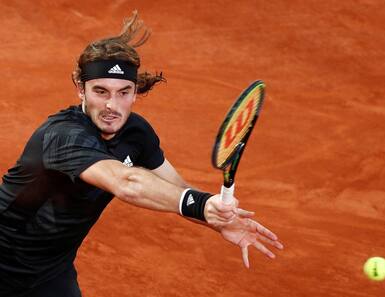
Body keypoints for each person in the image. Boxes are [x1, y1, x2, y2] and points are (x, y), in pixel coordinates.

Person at [0, 11, 283, 297]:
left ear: (136, 93)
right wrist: (199, 204)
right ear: (80, 90)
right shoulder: (62, 136)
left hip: (50, 272)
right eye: (101, 91)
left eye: (124, 92)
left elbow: (179, 190)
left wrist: (217, 218)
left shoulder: (136, 133)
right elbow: (127, 182)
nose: (113, 105)